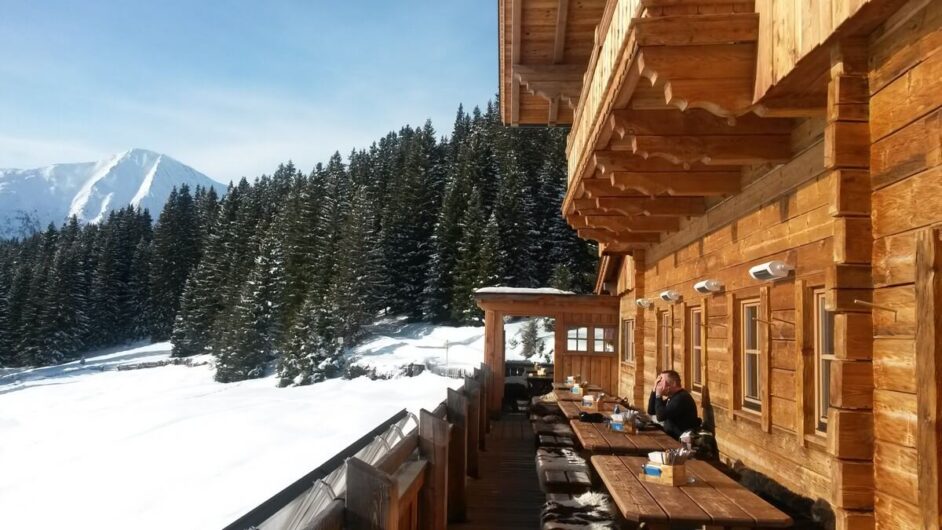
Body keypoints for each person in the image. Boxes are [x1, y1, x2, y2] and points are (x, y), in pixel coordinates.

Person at [647, 369, 701, 439]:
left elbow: (660, 416)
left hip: (679, 441)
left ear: (674, 383)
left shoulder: (681, 398)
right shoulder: (673, 396)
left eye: (662, 382)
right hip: (671, 437)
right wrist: (654, 389)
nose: (659, 385)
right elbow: (651, 410)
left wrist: (658, 395)